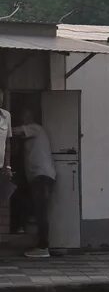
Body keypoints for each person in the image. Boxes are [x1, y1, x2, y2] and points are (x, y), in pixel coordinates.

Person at [12, 109, 55, 258]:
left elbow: (17, 131)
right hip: (37, 178)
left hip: (41, 177)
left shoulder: (36, 128)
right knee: (29, 205)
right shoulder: (29, 136)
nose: (23, 119)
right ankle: (22, 230)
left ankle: (43, 247)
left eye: (24, 116)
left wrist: (3, 127)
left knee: (41, 211)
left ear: (30, 117)